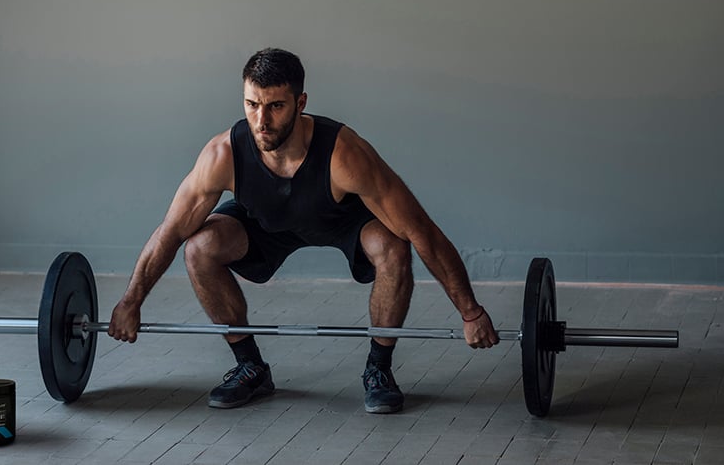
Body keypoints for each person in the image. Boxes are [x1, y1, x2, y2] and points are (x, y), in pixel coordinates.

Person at [108, 48, 499, 414]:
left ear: (300, 103)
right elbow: (171, 232)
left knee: (394, 247)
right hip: (265, 225)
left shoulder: (344, 154)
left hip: (342, 221)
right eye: (252, 104)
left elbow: (421, 231)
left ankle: (379, 368)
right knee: (199, 247)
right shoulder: (223, 155)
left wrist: (470, 311)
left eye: (276, 106)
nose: (261, 120)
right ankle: (250, 367)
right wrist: (131, 302)